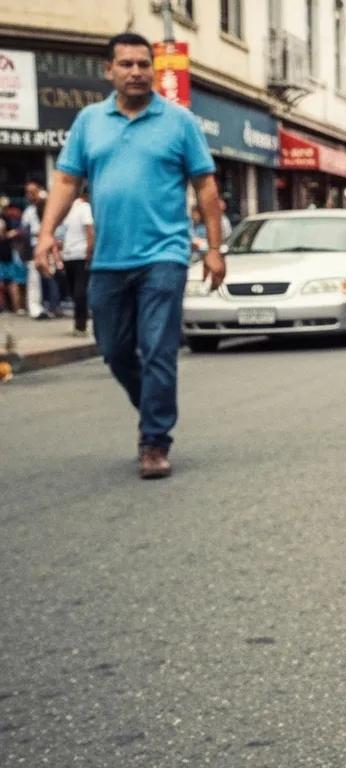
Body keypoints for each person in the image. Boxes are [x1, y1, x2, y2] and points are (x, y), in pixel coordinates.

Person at [35, 31, 224, 479]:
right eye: (126, 64)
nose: (136, 72)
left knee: (158, 347)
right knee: (115, 349)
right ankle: (154, 404)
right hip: (109, 260)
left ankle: (155, 441)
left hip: (165, 254)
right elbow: (66, 181)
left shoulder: (179, 122)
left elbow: (206, 186)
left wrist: (215, 249)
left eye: (144, 64)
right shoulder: (88, 122)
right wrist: (46, 233)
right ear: (109, 70)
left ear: (153, 70)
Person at [56, 186, 94, 335]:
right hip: (81, 253)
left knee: (74, 289)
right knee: (81, 289)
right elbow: (89, 230)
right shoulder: (85, 208)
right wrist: (90, 251)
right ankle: (81, 325)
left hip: (68, 254)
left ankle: (78, 322)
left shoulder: (69, 209)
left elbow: (61, 232)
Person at [22, 181, 61, 319]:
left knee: (49, 276)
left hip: (47, 245)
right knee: (37, 279)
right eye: (28, 193)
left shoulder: (47, 207)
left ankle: (53, 306)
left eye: (33, 192)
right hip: (34, 246)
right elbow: (25, 232)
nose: (30, 196)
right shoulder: (29, 211)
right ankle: (42, 307)